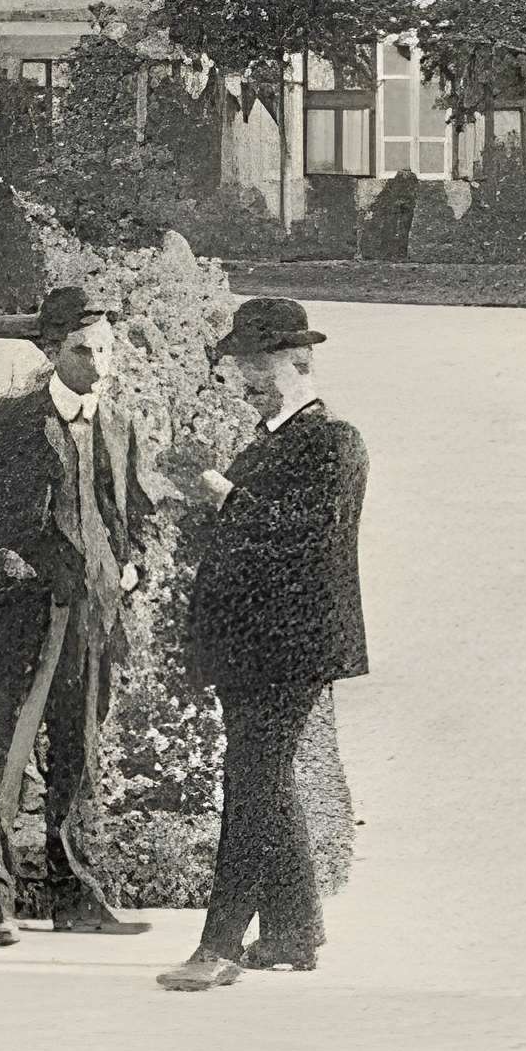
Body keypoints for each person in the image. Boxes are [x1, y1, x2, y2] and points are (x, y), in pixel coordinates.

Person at [0, 286, 160, 947]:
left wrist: (134, 562)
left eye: (107, 350)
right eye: (84, 351)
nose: (99, 364)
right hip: (21, 616)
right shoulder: (8, 424)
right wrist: (5, 559)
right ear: (52, 351)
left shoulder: (118, 424)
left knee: (79, 754)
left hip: (93, 614)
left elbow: (135, 511)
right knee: (5, 756)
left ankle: (76, 899)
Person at [160, 297, 370, 993]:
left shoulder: (333, 442)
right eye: (241, 366)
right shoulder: (266, 444)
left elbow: (305, 535)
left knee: (250, 783)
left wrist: (222, 495)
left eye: (258, 366)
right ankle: (292, 932)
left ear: (299, 359)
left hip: (291, 648)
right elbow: (245, 539)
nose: (246, 379)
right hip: (252, 647)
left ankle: (218, 946)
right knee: (267, 781)